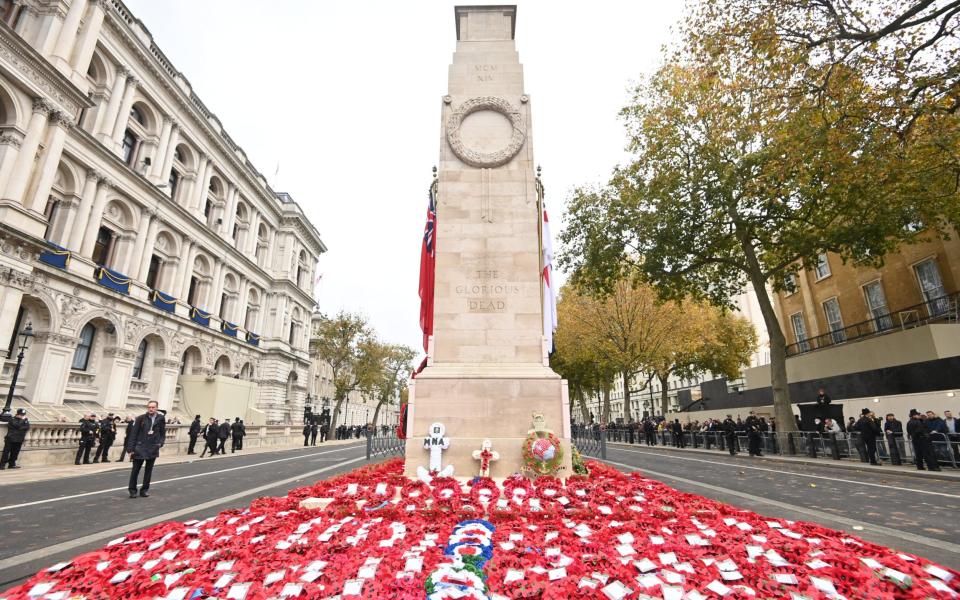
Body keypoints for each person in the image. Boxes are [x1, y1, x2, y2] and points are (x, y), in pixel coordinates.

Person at [126, 400, 165, 498]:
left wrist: (160, 443)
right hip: (140, 448)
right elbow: (133, 434)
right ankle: (132, 490)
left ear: (156, 408)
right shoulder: (140, 418)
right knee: (135, 470)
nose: (151, 409)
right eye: (149, 407)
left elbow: (162, 433)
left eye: (153, 407)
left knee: (148, 471)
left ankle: (144, 490)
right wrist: (130, 449)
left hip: (153, 448)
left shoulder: (161, 418)